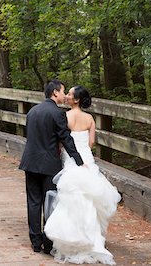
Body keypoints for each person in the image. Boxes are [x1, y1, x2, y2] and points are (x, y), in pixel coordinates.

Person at [44, 85, 121, 265]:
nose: (67, 96)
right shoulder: (89, 118)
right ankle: (92, 238)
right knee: (90, 200)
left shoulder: (65, 116)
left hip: (71, 159)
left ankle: (73, 238)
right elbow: (91, 141)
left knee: (71, 198)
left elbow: (62, 139)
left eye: (70, 94)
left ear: (76, 99)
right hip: (86, 158)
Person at [19, 79, 84, 254]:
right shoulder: (57, 113)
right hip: (49, 165)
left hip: (30, 162)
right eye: (63, 92)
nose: (64, 95)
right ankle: (48, 244)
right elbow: (66, 138)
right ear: (55, 92)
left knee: (33, 202)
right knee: (50, 202)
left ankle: (35, 242)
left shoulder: (32, 111)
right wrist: (78, 160)